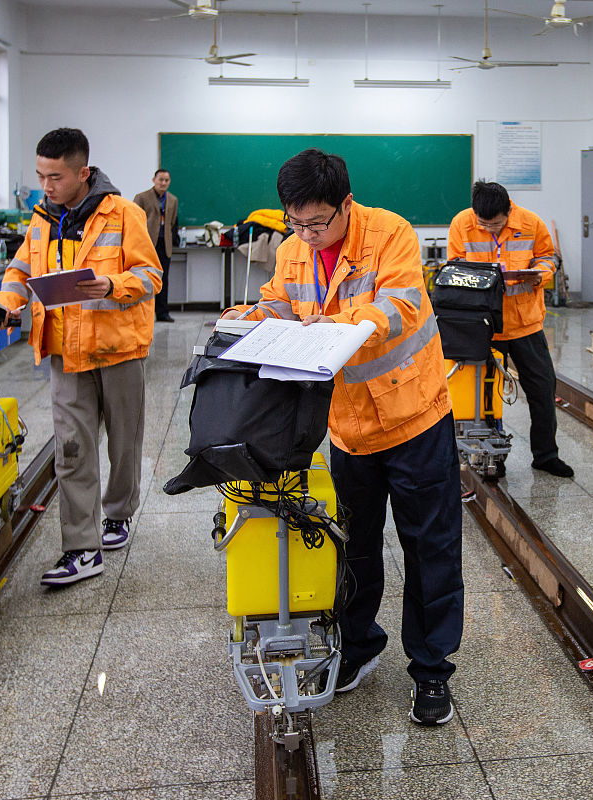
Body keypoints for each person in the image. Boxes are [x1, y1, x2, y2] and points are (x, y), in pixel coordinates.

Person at [220, 148, 463, 727]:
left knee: (428, 548)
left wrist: (337, 324)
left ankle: (431, 671)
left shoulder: (391, 234)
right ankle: (357, 648)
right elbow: (278, 303)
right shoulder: (293, 249)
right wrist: (247, 322)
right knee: (350, 547)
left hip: (413, 419)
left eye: (317, 223)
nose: (307, 234)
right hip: (348, 428)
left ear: (345, 205)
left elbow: (398, 307)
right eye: (295, 223)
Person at [0, 128, 162, 586]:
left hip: (118, 348)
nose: (46, 186)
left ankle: (119, 512)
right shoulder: (41, 220)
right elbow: (21, 270)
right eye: (40, 176)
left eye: (55, 177)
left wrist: (112, 285)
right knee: (72, 449)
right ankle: (81, 549)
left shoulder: (123, 214)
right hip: (64, 351)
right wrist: (8, 306)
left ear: (83, 173)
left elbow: (151, 276)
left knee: (124, 441)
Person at [446, 181, 574, 479]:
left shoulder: (530, 223)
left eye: (496, 224)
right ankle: (494, 456)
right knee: (486, 393)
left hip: (524, 323)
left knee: (543, 389)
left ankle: (546, 455)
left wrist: (538, 274)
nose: (489, 229)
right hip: (482, 324)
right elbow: (453, 266)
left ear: (509, 210)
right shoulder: (461, 223)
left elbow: (548, 258)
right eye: (483, 224)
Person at [134, 169, 179, 322]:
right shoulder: (141, 197)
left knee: (163, 279)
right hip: (146, 244)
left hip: (164, 244)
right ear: (154, 180)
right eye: (160, 180)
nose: (163, 183)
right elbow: (135, 221)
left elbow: (172, 222)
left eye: (166, 180)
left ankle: (162, 312)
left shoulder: (172, 200)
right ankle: (142, 312)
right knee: (144, 278)